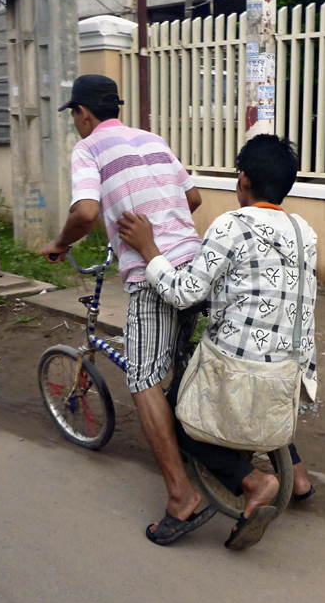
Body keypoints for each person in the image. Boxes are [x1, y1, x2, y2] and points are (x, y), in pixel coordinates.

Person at [118, 134, 318, 550]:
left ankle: (255, 483)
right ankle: (297, 477)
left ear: (243, 179)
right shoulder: (305, 233)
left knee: (181, 418)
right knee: (262, 365)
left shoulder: (231, 224)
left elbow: (185, 293)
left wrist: (148, 248)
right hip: (288, 375)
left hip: (237, 371)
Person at [41, 74, 217, 545]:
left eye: (75, 115)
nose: (76, 123)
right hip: (195, 267)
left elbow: (84, 213)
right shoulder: (152, 139)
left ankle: (181, 497)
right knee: (175, 368)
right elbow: (194, 197)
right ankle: (205, 453)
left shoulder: (89, 149)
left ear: (82, 113)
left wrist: (59, 244)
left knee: (142, 380)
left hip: (152, 275)